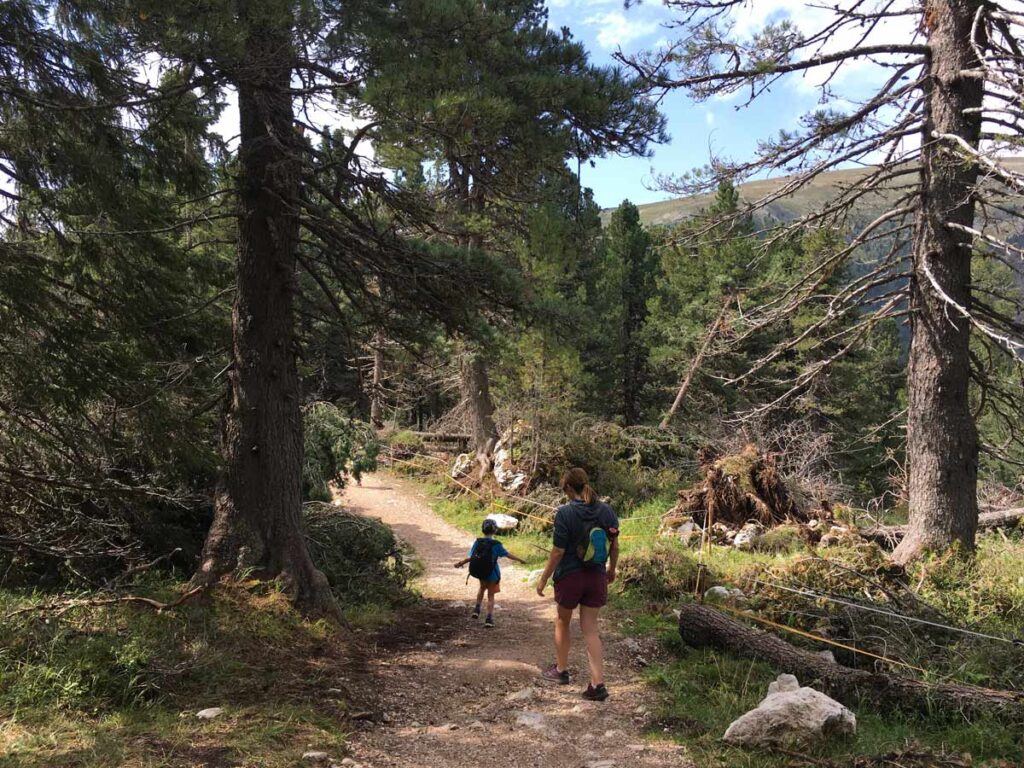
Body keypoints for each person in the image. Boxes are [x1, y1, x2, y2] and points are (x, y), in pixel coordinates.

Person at [535, 467, 619, 701]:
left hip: (570, 576)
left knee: (562, 621)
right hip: (596, 576)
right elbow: (614, 545)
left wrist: (543, 578)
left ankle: (561, 671)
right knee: (591, 629)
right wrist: (611, 570)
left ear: (569, 488)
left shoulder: (565, 513)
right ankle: (597, 684)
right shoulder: (607, 511)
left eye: (564, 489)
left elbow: (558, 551)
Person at [454, 519, 526, 628]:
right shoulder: (496, 545)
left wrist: (460, 563)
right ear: (495, 530)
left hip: (481, 571)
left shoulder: (478, 542)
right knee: (491, 595)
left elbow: (471, 557)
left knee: (482, 588)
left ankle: (477, 609)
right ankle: (488, 618)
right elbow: (507, 555)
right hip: (492, 573)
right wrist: (520, 560)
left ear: (483, 530)